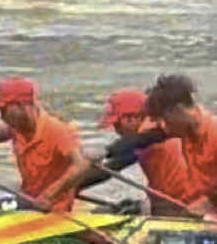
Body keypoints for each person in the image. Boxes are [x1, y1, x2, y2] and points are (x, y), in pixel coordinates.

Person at [0, 77, 90, 212]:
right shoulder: (17, 128)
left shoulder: (57, 130)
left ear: (22, 106)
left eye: (4, 110)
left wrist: (49, 196)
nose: (2, 116)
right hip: (28, 200)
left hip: (49, 208)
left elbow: (81, 165)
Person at [88, 87, 206, 218]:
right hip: (177, 200)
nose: (116, 131)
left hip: (183, 207)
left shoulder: (150, 131)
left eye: (116, 125)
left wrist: (71, 185)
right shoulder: (161, 126)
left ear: (131, 119)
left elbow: (113, 166)